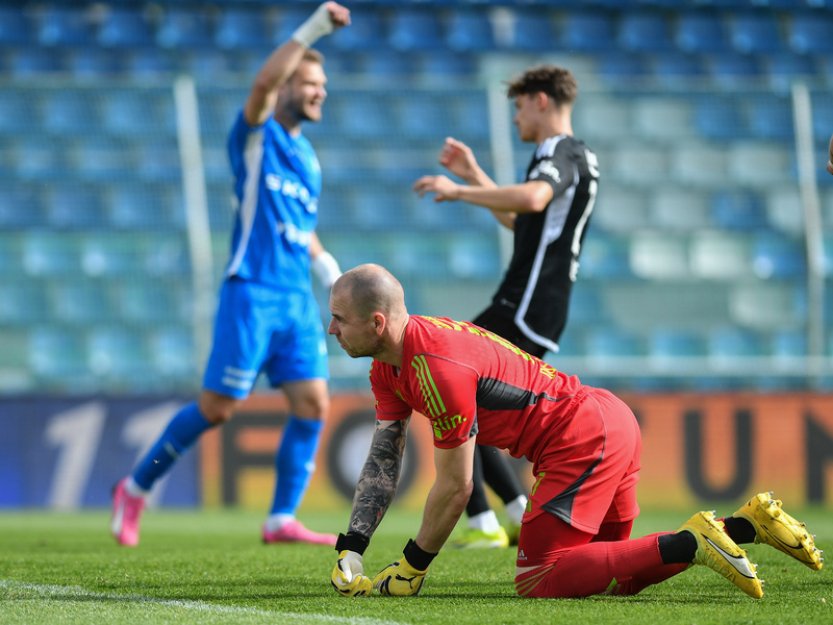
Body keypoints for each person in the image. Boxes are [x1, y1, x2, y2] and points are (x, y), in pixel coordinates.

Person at [326, 264, 823, 599]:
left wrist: (413, 567)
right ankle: (742, 528)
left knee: (538, 576)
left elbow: (456, 487)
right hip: (609, 419)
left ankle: (693, 542)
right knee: (616, 575)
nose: (332, 330)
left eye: (338, 320)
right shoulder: (388, 366)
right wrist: (353, 546)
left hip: (580, 439)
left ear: (375, 323)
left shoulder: (433, 365)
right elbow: (384, 458)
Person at [110, 2, 351, 547]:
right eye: (310, 82)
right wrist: (315, 28)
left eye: (324, 84)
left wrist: (327, 267)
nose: (320, 92)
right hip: (251, 291)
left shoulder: (310, 159)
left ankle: (280, 519)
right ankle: (135, 487)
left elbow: (301, 225)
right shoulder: (256, 137)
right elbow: (264, 80)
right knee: (218, 409)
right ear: (286, 86)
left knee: (313, 403)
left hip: (294, 300)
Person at [412, 65, 599, 549]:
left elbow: (533, 199)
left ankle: (484, 521)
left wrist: (458, 190)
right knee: (468, 398)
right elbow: (525, 223)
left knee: (443, 378)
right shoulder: (573, 157)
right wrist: (474, 175)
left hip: (525, 304)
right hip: (537, 305)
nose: (515, 118)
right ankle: (511, 512)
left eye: (518, 107)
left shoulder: (559, 151)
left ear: (540, 100)